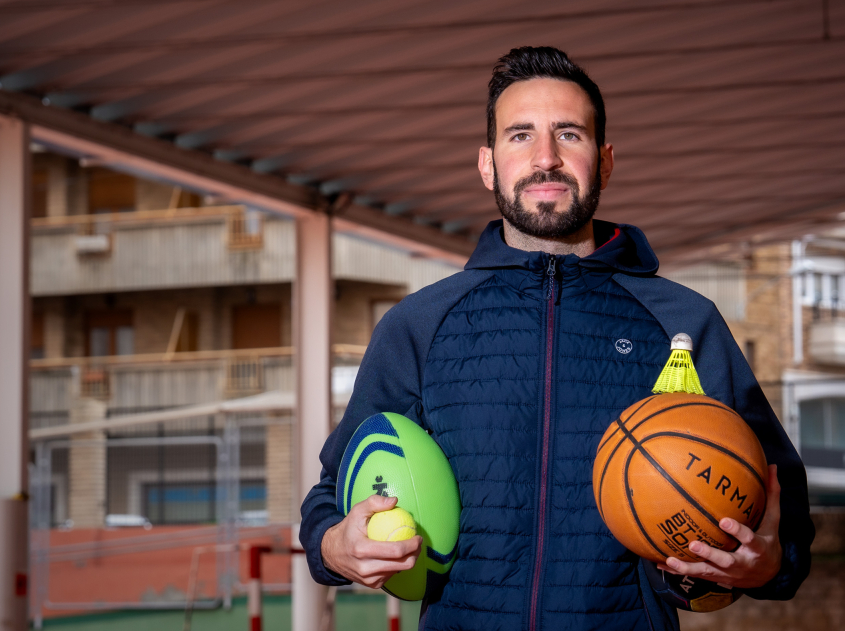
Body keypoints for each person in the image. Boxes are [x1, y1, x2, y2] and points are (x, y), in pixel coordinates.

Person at [300, 46, 814, 630]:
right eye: (520, 136)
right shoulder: (419, 325)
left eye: (569, 134)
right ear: (488, 164)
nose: (546, 158)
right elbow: (331, 493)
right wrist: (333, 544)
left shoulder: (684, 323)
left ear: (606, 160)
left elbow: (782, 511)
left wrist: (769, 561)